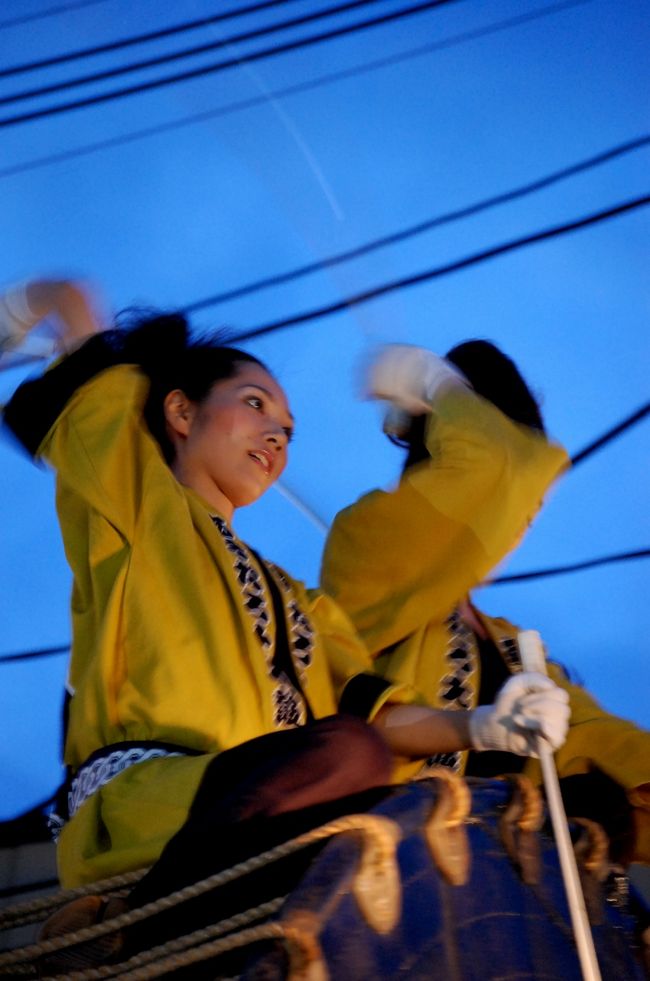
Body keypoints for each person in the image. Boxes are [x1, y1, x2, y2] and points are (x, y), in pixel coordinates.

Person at [2, 283, 571, 965]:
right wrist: (30, 306)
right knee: (352, 757)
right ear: (181, 412)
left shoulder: (303, 602)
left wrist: (485, 724)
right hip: (152, 806)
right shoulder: (136, 499)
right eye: (254, 404)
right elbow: (78, 310)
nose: (276, 433)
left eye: (288, 430)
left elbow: (376, 711)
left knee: (407, 802)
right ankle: (136, 926)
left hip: (265, 818)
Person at [321, 340, 650, 863]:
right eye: (522, 500)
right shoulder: (367, 550)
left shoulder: (514, 644)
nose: (521, 519)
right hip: (397, 868)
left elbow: (602, 740)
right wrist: (434, 382)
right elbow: (497, 465)